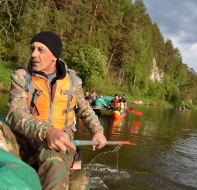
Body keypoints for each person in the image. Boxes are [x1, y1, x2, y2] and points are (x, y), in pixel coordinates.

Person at [6, 31, 107, 190]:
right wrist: (47, 131)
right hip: (27, 141)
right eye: (32, 48)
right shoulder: (21, 77)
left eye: (40, 50)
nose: (33, 54)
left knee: (54, 156)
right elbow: (15, 115)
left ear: (54, 55)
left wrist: (98, 130)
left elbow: (86, 110)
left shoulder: (73, 82)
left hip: (59, 143)